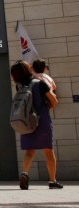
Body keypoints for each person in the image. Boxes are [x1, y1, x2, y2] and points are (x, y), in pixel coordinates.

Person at [10, 60, 62, 190]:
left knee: (29, 151)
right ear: (28, 70)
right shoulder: (40, 83)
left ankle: (24, 174)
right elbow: (54, 100)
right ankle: (52, 180)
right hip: (42, 120)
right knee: (48, 151)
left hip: (26, 122)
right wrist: (46, 108)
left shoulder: (19, 87)